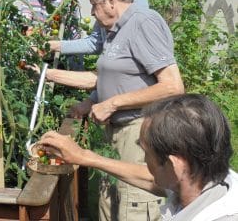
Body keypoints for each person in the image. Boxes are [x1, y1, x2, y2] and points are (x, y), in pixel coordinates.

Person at [32, 0, 185, 221]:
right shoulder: (116, 30)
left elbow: (172, 86)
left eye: (94, 4)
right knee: (111, 205)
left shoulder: (143, 22)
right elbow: (120, 76)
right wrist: (91, 101)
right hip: (116, 134)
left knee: (132, 206)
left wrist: (112, 103)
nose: (92, 12)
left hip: (140, 135)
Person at [40, 94, 238, 220]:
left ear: (172, 164)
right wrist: (84, 156)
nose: (144, 161)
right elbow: (152, 178)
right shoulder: (209, 179)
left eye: (146, 153)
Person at [20, 0, 83, 70]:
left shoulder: (68, 1)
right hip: (34, 54)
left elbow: (75, 34)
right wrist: (34, 45)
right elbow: (25, 25)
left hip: (60, 57)